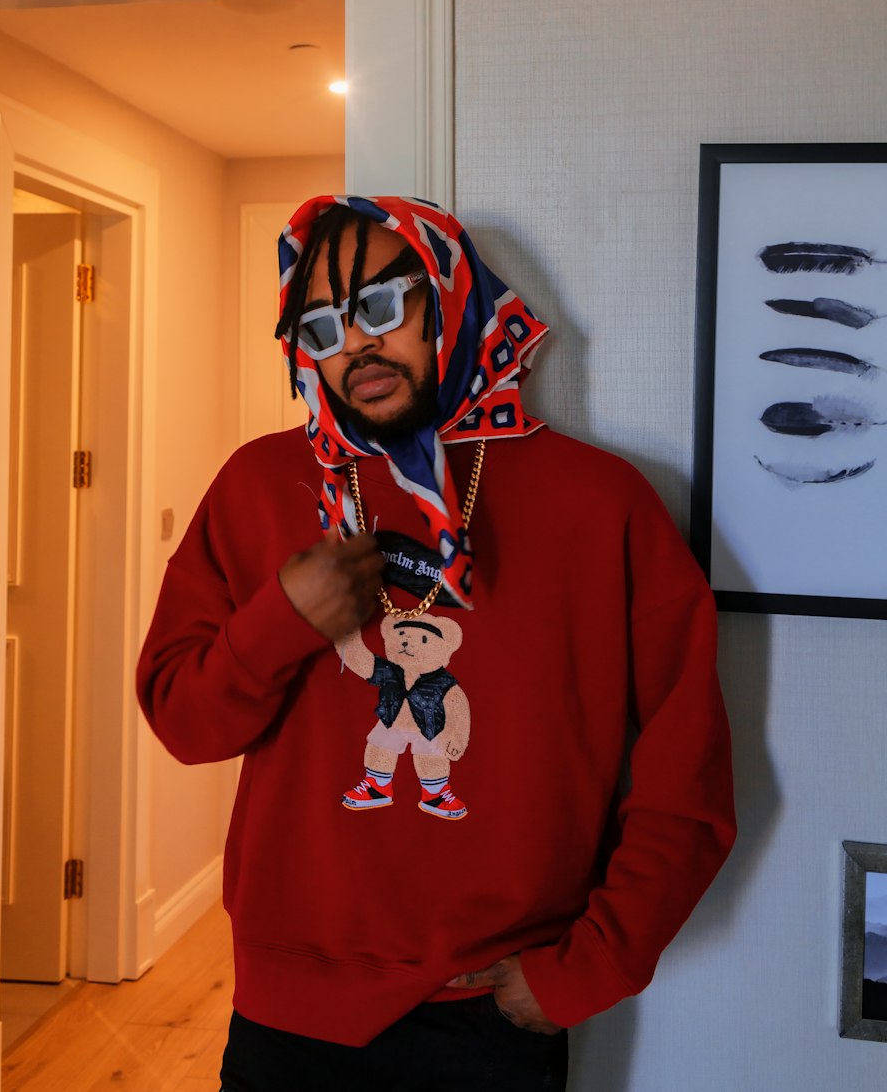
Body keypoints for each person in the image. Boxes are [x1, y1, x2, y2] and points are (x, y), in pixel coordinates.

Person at [137, 193, 736, 1092]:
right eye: (322, 324)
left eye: (384, 306)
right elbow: (185, 724)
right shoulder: (259, 486)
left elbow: (685, 773)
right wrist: (283, 621)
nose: (356, 347)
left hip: (490, 1015)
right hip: (290, 1013)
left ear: (451, 297)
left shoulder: (603, 506)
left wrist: (587, 967)